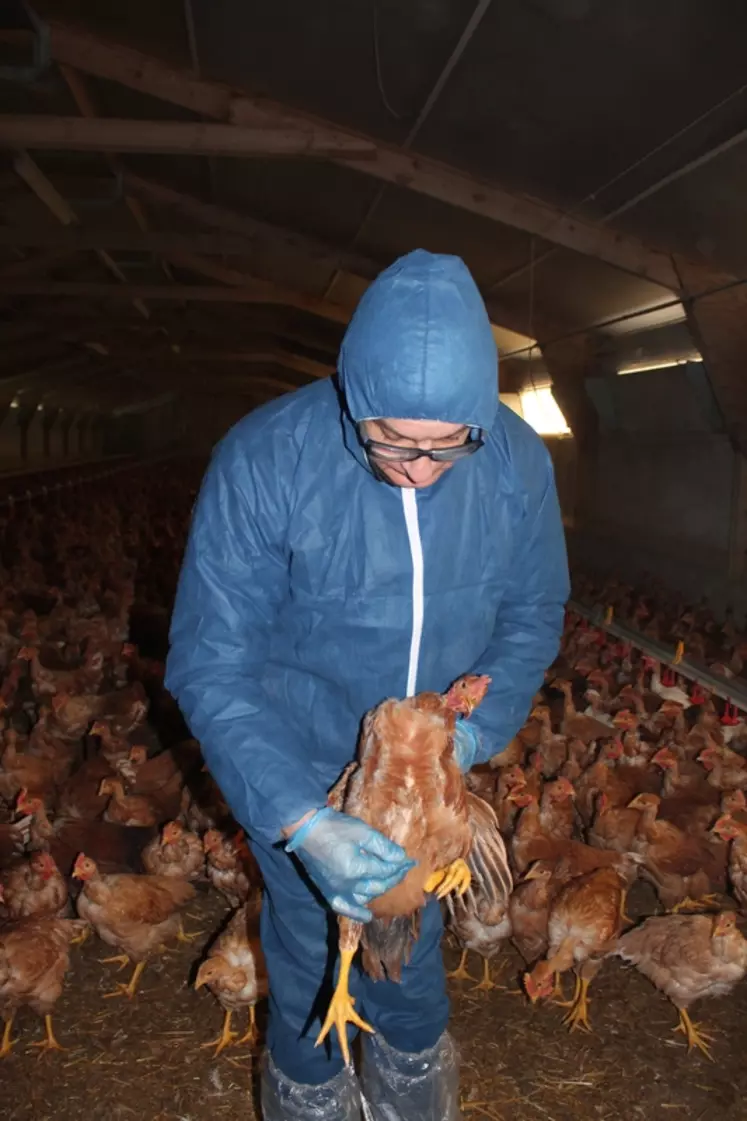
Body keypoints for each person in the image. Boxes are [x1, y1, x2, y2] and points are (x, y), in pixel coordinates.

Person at [165, 249, 569, 1120]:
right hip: (297, 764)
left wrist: (470, 731)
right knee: (310, 968)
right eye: (391, 441)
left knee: (410, 977)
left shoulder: (512, 464)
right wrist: (302, 819)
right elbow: (211, 659)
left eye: (444, 445)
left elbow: (532, 615)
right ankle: (311, 1094)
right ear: (351, 396)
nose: (418, 468)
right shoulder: (268, 459)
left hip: (430, 778)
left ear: (477, 423)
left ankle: (411, 1092)